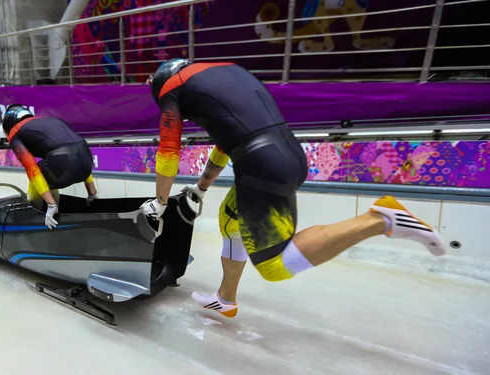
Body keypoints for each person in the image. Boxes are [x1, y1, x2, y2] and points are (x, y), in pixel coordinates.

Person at [140, 59, 448, 318]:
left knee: (274, 265)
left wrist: (161, 202)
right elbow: (224, 142)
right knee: (231, 220)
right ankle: (226, 297)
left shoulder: (171, 88)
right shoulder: (221, 72)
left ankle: (380, 219)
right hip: (286, 152)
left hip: (260, 164)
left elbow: (168, 151)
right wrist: (201, 188)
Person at [0, 102, 98, 229]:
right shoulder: (51, 120)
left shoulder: (15, 132)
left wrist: (50, 204)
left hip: (62, 165)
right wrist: (92, 193)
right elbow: (77, 152)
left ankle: (38, 215)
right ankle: (57, 209)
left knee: (38, 178)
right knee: (51, 169)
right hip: (87, 163)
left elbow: (31, 169)